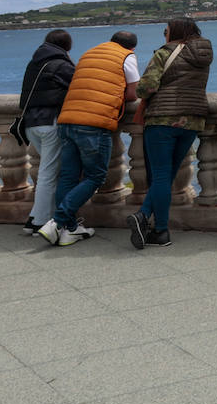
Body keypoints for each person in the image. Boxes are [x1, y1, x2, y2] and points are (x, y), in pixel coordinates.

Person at [35, 31, 139, 247]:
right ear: (132, 48)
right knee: (95, 176)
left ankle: (69, 229)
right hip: (94, 124)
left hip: (67, 119)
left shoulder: (89, 53)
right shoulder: (126, 56)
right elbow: (132, 93)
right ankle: (57, 221)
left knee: (68, 177)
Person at [127, 17, 213, 249]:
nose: (163, 35)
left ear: (173, 32)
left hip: (163, 119)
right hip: (193, 119)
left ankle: (161, 229)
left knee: (161, 175)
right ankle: (145, 218)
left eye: (165, 31)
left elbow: (146, 88)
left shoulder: (165, 53)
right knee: (169, 174)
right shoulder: (203, 55)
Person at [18, 29, 76, 234]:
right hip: (49, 122)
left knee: (50, 171)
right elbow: (78, 86)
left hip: (30, 123)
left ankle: (38, 216)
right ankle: (39, 221)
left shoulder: (35, 63)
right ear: (67, 46)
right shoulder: (60, 64)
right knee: (49, 173)